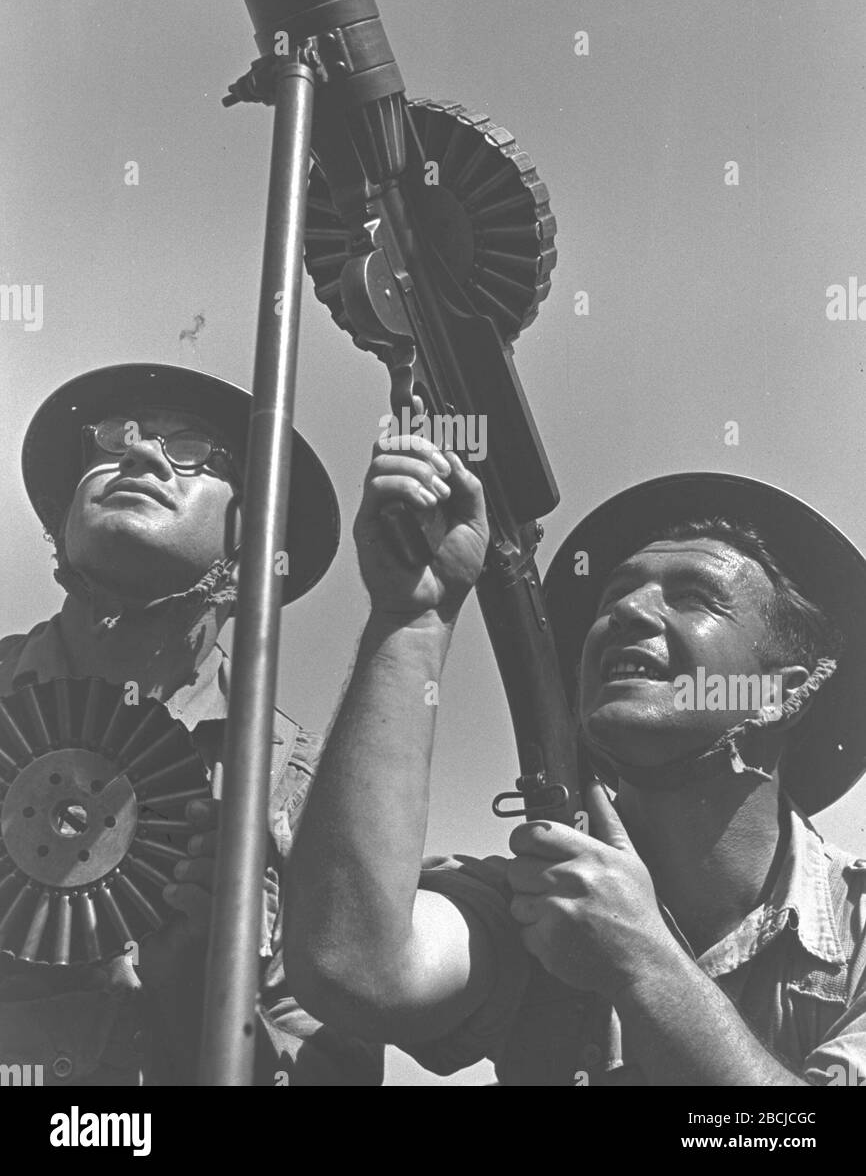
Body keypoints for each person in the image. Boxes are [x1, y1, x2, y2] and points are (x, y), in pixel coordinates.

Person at [285, 438, 866, 1086]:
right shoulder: (538, 900)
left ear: (781, 691)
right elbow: (354, 965)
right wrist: (412, 619)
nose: (627, 611)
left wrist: (643, 963)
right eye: (617, 592)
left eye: (694, 596)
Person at [0, 361, 382, 1086]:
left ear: (251, 561)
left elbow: (337, 1072)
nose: (141, 453)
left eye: (194, 450)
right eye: (114, 439)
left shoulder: (292, 789)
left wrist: (197, 991)